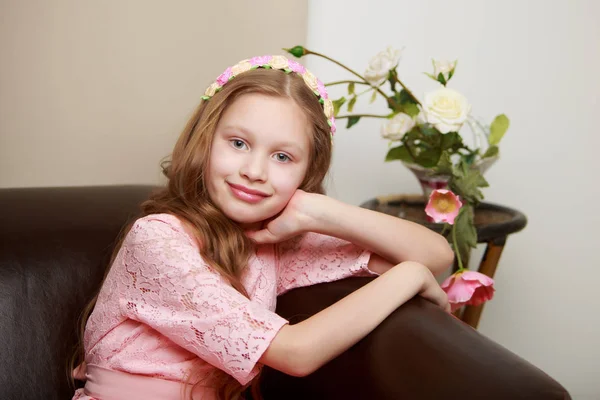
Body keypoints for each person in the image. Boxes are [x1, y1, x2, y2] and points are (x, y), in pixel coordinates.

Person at [70, 55, 454, 400]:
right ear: (204, 141)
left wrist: (320, 211)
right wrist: (410, 275)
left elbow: (437, 255)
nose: (253, 171)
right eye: (238, 143)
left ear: (308, 171)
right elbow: (295, 353)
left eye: (283, 156)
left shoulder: (272, 244)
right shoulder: (157, 239)